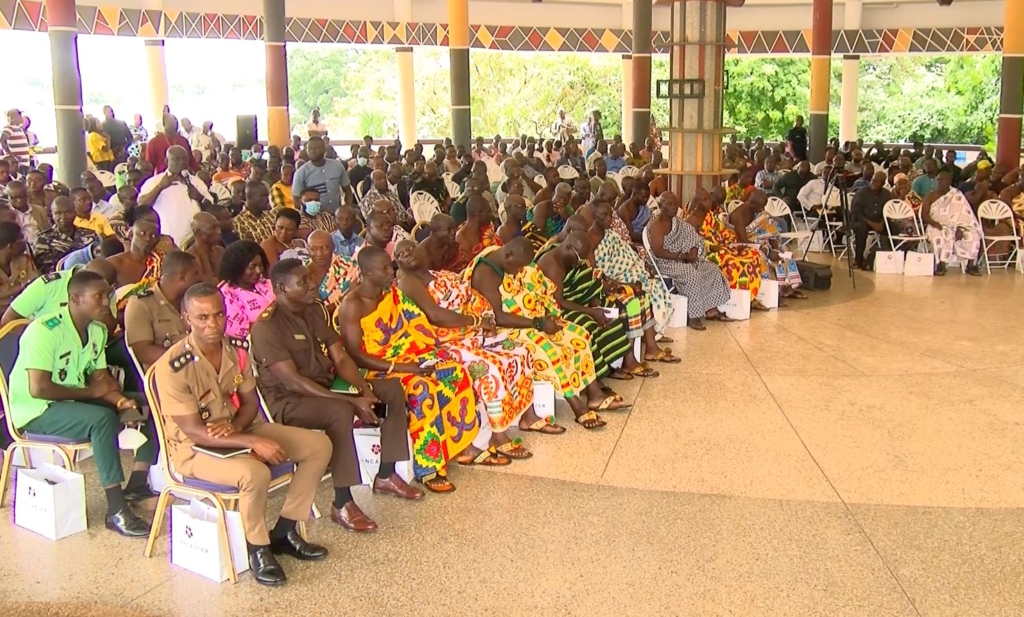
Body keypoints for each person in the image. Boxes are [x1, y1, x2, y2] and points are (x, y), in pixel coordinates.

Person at [154, 282, 331, 586]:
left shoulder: (237, 351)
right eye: (202, 317)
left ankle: (284, 531)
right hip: (193, 450)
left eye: (219, 315)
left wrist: (237, 429)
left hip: (238, 427)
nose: (213, 324)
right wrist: (250, 441)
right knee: (254, 474)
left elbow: (249, 404)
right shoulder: (172, 367)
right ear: (186, 318)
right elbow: (195, 431)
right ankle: (258, 549)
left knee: (319, 445)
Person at [250, 259, 422, 532]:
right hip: (290, 401)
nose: (312, 284)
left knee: (388, 392)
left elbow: (340, 357)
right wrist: (351, 401)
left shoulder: (314, 310)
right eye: (303, 282)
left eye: (310, 278)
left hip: (327, 385)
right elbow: (293, 381)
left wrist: (362, 392)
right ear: (282, 288)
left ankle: (386, 474)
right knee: (339, 412)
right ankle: (342, 502)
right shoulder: (266, 327)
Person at [8, 270, 156, 537]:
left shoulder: (97, 331)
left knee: (151, 404)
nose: (106, 302)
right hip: (36, 409)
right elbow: (39, 388)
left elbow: (102, 381)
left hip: (74, 399)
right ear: (75, 299)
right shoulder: (45, 330)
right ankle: (116, 510)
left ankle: (136, 482)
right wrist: (93, 392)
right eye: (98, 297)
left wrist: (122, 401)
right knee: (102, 419)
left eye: (107, 295)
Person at [337, 246, 478, 493]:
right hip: (375, 371)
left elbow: (415, 325)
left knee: (453, 371)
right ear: (367, 273)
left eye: (390, 265)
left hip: (405, 359)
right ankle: (429, 468)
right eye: (384, 268)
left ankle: (455, 446)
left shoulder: (390, 294)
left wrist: (422, 357)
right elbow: (355, 356)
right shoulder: (353, 304)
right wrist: (401, 367)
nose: (391, 270)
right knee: (421, 388)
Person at [395, 240, 544, 461]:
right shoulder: (409, 282)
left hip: (468, 334)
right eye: (400, 253)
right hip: (442, 343)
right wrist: (475, 321)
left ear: (422, 249)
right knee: (489, 368)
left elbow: (470, 298)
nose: (406, 253)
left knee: (520, 352)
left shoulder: (439, 275)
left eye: (410, 248)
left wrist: (485, 318)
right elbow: (436, 316)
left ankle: (527, 416)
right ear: (397, 262)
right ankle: (498, 434)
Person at [466, 238, 630, 431]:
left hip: (532, 320)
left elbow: (536, 289)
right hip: (506, 330)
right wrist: (539, 323)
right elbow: (498, 317)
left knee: (579, 336)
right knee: (548, 349)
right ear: (508, 255)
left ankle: (594, 394)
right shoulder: (485, 274)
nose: (520, 272)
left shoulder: (507, 259)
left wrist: (545, 316)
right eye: (518, 267)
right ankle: (577, 405)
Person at [536, 228, 656, 379]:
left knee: (623, 306)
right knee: (594, 320)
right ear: (568, 247)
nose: (580, 262)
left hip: (581, 299)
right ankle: (601, 376)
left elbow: (586, 279)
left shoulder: (569, 254)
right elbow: (558, 301)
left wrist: (599, 298)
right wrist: (592, 311)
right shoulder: (552, 264)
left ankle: (636, 356)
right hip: (558, 309)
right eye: (579, 258)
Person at [588, 200, 677, 342]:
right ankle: (636, 346)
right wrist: (624, 285)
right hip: (609, 286)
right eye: (603, 215)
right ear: (593, 216)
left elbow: (624, 254)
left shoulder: (610, 234)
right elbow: (596, 275)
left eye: (610, 215)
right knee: (635, 300)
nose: (609, 219)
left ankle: (651, 340)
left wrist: (639, 269)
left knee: (655, 286)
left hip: (626, 277)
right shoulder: (589, 241)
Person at [645, 192, 733, 330]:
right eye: (669, 204)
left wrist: (692, 250)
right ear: (661, 205)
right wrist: (682, 257)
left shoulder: (678, 222)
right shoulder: (656, 225)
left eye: (675, 204)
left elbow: (693, 238)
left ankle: (711, 309)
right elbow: (658, 252)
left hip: (681, 258)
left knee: (711, 268)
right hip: (663, 262)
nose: (674, 207)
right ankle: (693, 316)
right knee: (691, 274)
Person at [123, 250, 200, 370]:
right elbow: (143, 352)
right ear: (182, 276)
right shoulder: (141, 304)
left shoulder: (191, 300)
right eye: (195, 274)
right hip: (166, 374)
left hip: (199, 369)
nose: (199, 278)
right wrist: (189, 359)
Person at [729, 190, 806, 299]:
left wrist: (776, 247)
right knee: (762, 257)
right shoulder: (739, 216)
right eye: (760, 207)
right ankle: (774, 292)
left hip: (760, 242)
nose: (762, 210)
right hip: (742, 246)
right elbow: (744, 241)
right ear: (751, 203)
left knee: (784, 251)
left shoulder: (758, 212)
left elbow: (768, 229)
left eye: (763, 206)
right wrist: (768, 251)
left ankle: (788, 287)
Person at [138, 145, 213, 246]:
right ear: (166, 161)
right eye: (176, 159)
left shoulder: (197, 182)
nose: (181, 163)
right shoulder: (154, 181)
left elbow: (211, 208)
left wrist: (200, 198)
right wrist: (160, 187)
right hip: (165, 240)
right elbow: (141, 205)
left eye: (184, 159)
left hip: (193, 241)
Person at [921, 171, 982, 276]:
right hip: (936, 225)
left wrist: (960, 228)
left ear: (949, 182)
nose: (940, 182)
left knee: (973, 235)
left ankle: (971, 265)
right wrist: (935, 224)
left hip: (958, 226)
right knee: (938, 236)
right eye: (938, 180)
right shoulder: (930, 195)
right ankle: (941, 264)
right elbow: (924, 215)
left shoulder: (956, 195)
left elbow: (964, 214)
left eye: (943, 180)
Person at [220, 241, 274, 339]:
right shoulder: (227, 296)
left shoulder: (265, 283)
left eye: (260, 265)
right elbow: (240, 330)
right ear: (237, 268)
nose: (258, 271)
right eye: (252, 267)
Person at [33, 196, 101, 272]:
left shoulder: (90, 234)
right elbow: (45, 270)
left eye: (68, 212)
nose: (63, 217)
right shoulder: (43, 239)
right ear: (52, 215)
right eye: (58, 213)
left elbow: (99, 259)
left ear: (75, 212)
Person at [292, 137, 352, 214]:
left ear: (324, 149)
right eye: (309, 148)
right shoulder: (301, 172)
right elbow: (296, 201)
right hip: (314, 217)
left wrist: (346, 208)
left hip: (338, 216)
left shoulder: (337, 166)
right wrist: (317, 210)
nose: (312, 151)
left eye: (316, 148)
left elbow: (348, 191)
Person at [305, 229, 359, 309]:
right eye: (314, 249)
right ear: (308, 250)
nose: (319, 254)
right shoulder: (300, 272)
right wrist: (345, 296)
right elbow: (316, 313)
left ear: (333, 247)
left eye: (324, 248)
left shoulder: (349, 266)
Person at [851, 171, 892, 269]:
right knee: (862, 229)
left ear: (883, 183)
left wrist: (881, 223)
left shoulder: (886, 194)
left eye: (877, 182)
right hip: (861, 221)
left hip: (879, 221)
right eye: (873, 180)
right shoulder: (862, 192)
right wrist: (872, 224)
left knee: (894, 227)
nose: (874, 183)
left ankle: (894, 258)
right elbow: (856, 213)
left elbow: (887, 211)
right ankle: (858, 260)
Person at [452, 196, 501, 272]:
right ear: (479, 215)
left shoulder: (487, 228)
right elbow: (467, 271)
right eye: (488, 212)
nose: (491, 215)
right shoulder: (461, 239)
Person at [0, 221, 36, 313]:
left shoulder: (24, 260)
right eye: (22, 238)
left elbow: (35, 285)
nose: (25, 241)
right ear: (11, 246)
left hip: (26, 309)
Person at [5, 180, 49, 245]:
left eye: (22, 196)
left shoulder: (40, 211)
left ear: (27, 194)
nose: (19, 200)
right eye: (15, 197)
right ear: (8, 197)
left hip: (39, 248)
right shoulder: (4, 213)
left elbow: (47, 232)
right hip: (14, 251)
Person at [186, 212, 224, 283]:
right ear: (199, 233)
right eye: (212, 228)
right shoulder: (189, 259)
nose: (219, 232)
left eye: (218, 227)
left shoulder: (220, 251)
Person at [1, 109, 30, 174]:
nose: (21, 117)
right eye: (19, 115)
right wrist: (12, 155)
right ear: (13, 118)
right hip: (17, 164)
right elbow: (2, 141)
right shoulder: (9, 127)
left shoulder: (19, 128)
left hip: (24, 163)